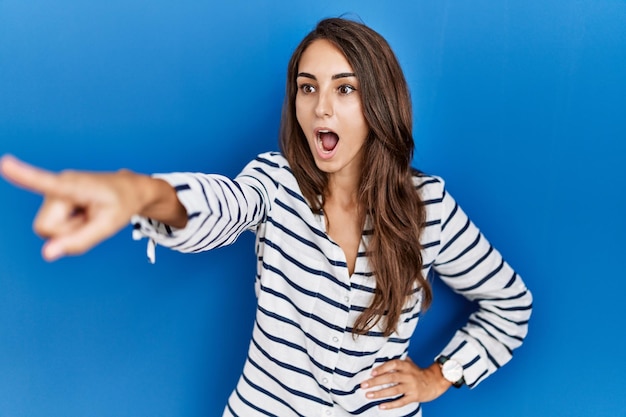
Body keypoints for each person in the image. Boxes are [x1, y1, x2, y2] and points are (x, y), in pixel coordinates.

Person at [0, 17, 532, 417]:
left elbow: (511, 306)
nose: (321, 108)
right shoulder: (275, 184)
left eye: (344, 88)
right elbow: (222, 204)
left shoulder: (428, 209)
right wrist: (136, 192)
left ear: (380, 101)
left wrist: (439, 376)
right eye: (308, 87)